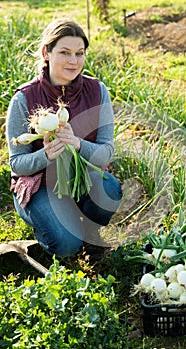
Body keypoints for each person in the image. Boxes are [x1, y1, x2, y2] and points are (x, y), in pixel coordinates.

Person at [6, 17, 122, 259]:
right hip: (40, 187)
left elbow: (106, 153)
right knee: (66, 246)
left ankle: (89, 229)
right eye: (65, 52)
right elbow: (17, 164)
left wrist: (77, 144)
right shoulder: (24, 98)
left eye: (79, 53)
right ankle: (53, 228)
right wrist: (46, 154)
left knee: (109, 188)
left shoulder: (97, 91)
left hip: (80, 181)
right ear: (46, 53)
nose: (73, 61)